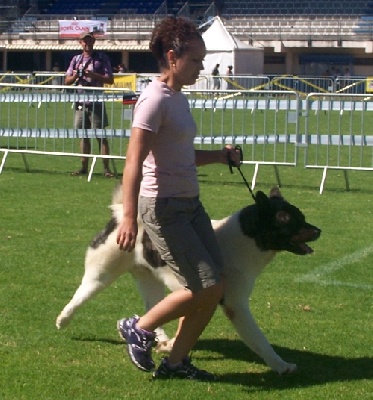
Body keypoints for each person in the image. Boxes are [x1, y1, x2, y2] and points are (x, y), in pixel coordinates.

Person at [116, 16, 241, 381]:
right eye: (195, 61)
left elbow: (180, 153)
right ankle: (139, 327)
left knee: (215, 286)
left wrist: (219, 156)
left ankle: (176, 363)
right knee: (207, 286)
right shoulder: (154, 99)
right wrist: (128, 216)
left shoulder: (177, 98)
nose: (201, 68)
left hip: (190, 204)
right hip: (165, 208)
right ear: (173, 57)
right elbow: (133, 161)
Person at [65, 31, 114, 177]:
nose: (87, 44)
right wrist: (76, 75)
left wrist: (93, 76)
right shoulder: (76, 59)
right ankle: (84, 167)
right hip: (80, 102)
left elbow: (110, 79)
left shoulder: (101, 58)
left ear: (94, 42)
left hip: (96, 102)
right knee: (83, 135)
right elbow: (67, 81)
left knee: (100, 135)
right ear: (80, 43)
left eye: (90, 41)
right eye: (84, 41)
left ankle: (106, 169)